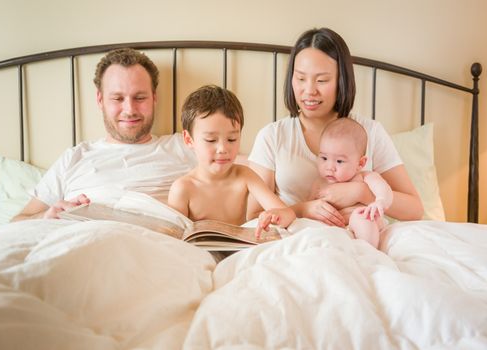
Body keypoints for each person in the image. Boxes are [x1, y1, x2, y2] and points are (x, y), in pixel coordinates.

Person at [248, 27, 423, 226]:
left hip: (360, 236)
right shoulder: (273, 136)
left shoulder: (369, 132)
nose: (309, 90)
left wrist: (363, 193)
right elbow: (253, 215)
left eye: (322, 80)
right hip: (297, 239)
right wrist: (303, 209)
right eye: (301, 78)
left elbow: (415, 209)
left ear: (342, 81)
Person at [12, 48, 197, 221]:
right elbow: (16, 222)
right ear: (100, 100)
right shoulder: (75, 157)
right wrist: (48, 215)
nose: (129, 110)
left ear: (154, 98)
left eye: (140, 98)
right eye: (117, 98)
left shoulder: (186, 146)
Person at [168, 85, 296, 237]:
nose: (223, 148)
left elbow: (288, 214)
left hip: (238, 252)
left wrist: (274, 215)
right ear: (189, 140)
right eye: (211, 140)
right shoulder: (182, 189)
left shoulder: (245, 176)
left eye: (232, 139)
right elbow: (173, 238)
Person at [310, 118, 392, 247]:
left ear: (360, 163)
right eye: (324, 158)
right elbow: (311, 208)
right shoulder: (319, 184)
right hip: (337, 229)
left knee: (361, 218)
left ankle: (367, 250)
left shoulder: (363, 177)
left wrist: (380, 201)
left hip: (364, 221)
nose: (329, 167)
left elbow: (384, 189)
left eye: (339, 161)